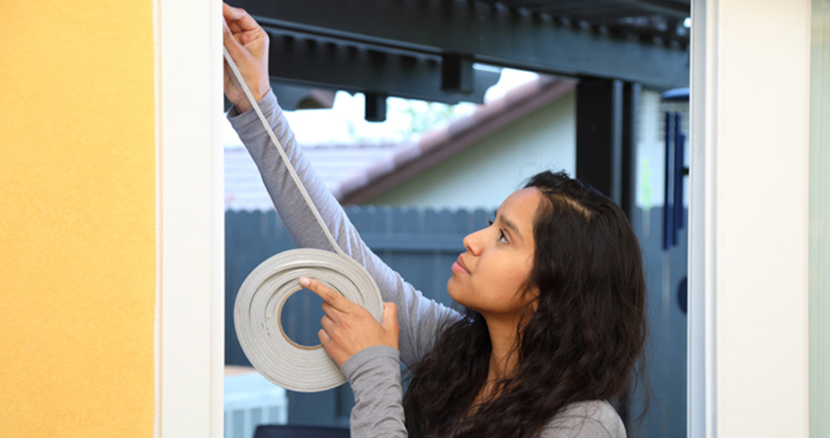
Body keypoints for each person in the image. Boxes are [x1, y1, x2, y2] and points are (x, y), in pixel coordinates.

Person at [222, 4, 647, 437]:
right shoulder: (455, 353)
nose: (473, 239)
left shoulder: (583, 424)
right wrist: (257, 104)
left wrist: (373, 372)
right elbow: (339, 252)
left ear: (551, 287)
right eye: (491, 223)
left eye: (504, 237)